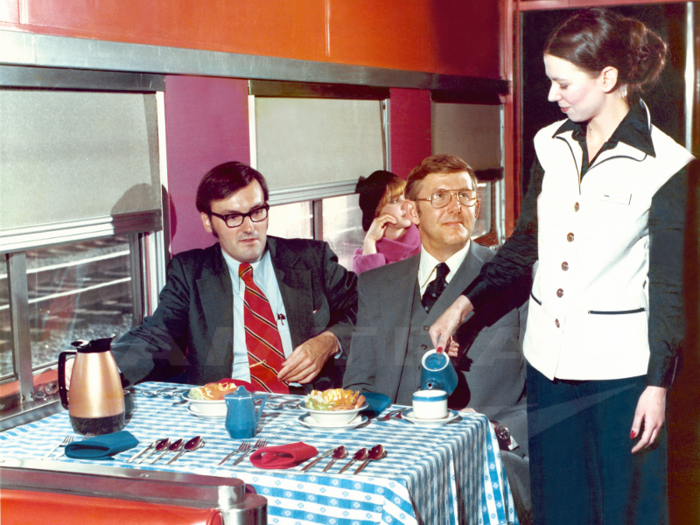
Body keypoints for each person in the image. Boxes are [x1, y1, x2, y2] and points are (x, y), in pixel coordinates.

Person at [429, 8, 693, 525]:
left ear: (609, 79)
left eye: (563, 82)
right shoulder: (548, 145)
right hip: (548, 365)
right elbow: (526, 245)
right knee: (561, 509)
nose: (552, 95)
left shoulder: (668, 166)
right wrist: (464, 304)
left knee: (624, 510)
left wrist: (657, 386)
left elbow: (668, 288)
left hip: (622, 377)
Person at [343, 154, 531, 514]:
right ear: (412, 213)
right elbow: (358, 386)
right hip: (394, 460)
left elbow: (544, 388)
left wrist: (501, 433)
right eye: (440, 196)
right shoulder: (376, 284)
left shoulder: (517, 279)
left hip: (487, 462)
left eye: (465, 196)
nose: (455, 206)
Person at [112, 161, 358, 394]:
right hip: (224, 410)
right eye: (232, 217)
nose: (249, 227)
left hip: (306, 404)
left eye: (257, 212)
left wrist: (329, 342)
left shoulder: (311, 258)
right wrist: (104, 364)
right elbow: (158, 333)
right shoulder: (190, 272)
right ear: (208, 222)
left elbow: (365, 306)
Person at [352, 170, 421, 274]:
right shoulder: (366, 254)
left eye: (406, 197)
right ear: (377, 212)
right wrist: (370, 240)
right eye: (394, 201)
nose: (405, 204)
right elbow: (371, 287)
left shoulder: (427, 242)